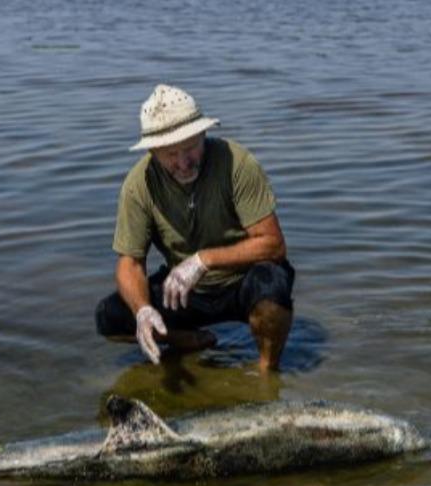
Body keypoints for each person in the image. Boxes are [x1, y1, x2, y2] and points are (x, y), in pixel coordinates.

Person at [95, 84, 294, 373]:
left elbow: (274, 244)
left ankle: (266, 371)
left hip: (242, 282)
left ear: (204, 134)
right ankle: (188, 340)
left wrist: (204, 260)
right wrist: (142, 310)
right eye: (171, 155)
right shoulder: (138, 185)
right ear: (152, 152)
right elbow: (129, 263)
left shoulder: (236, 163)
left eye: (190, 148)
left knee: (272, 289)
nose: (184, 162)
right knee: (109, 316)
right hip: (183, 291)